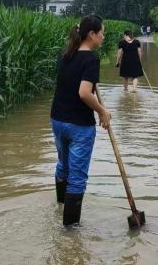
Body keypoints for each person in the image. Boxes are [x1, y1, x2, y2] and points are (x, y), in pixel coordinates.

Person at [50, 14, 112, 226]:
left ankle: (60, 206)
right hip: (79, 126)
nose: (103, 38)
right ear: (92, 34)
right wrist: (102, 111)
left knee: (63, 165)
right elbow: (84, 93)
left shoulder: (65, 54)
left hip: (58, 119)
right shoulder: (92, 59)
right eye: (102, 33)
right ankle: (70, 233)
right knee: (77, 178)